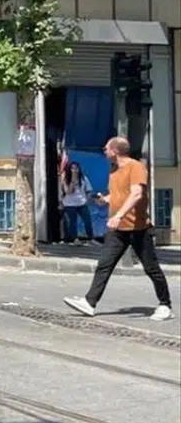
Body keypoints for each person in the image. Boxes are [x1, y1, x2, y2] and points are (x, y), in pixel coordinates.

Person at [63, 136, 173, 322]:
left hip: (138, 228)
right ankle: (90, 302)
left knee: (151, 268)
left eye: (106, 149)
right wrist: (105, 199)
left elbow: (137, 193)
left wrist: (119, 215)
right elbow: (119, 194)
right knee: (104, 264)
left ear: (116, 151)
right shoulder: (114, 170)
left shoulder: (136, 167)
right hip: (118, 230)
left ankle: (165, 305)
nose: (104, 151)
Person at [59, 162, 94, 244]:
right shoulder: (66, 179)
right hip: (69, 204)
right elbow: (68, 192)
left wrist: (86, 200)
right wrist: (73, 181)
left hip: (82, 203)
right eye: (72, 168)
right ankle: (75, 239)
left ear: (79, 169)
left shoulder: (84, 178)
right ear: (69, 170)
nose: (74, 170)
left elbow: (89, 190)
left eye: (76, 168)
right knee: (73, 221)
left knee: (87, 220)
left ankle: (91, 238)